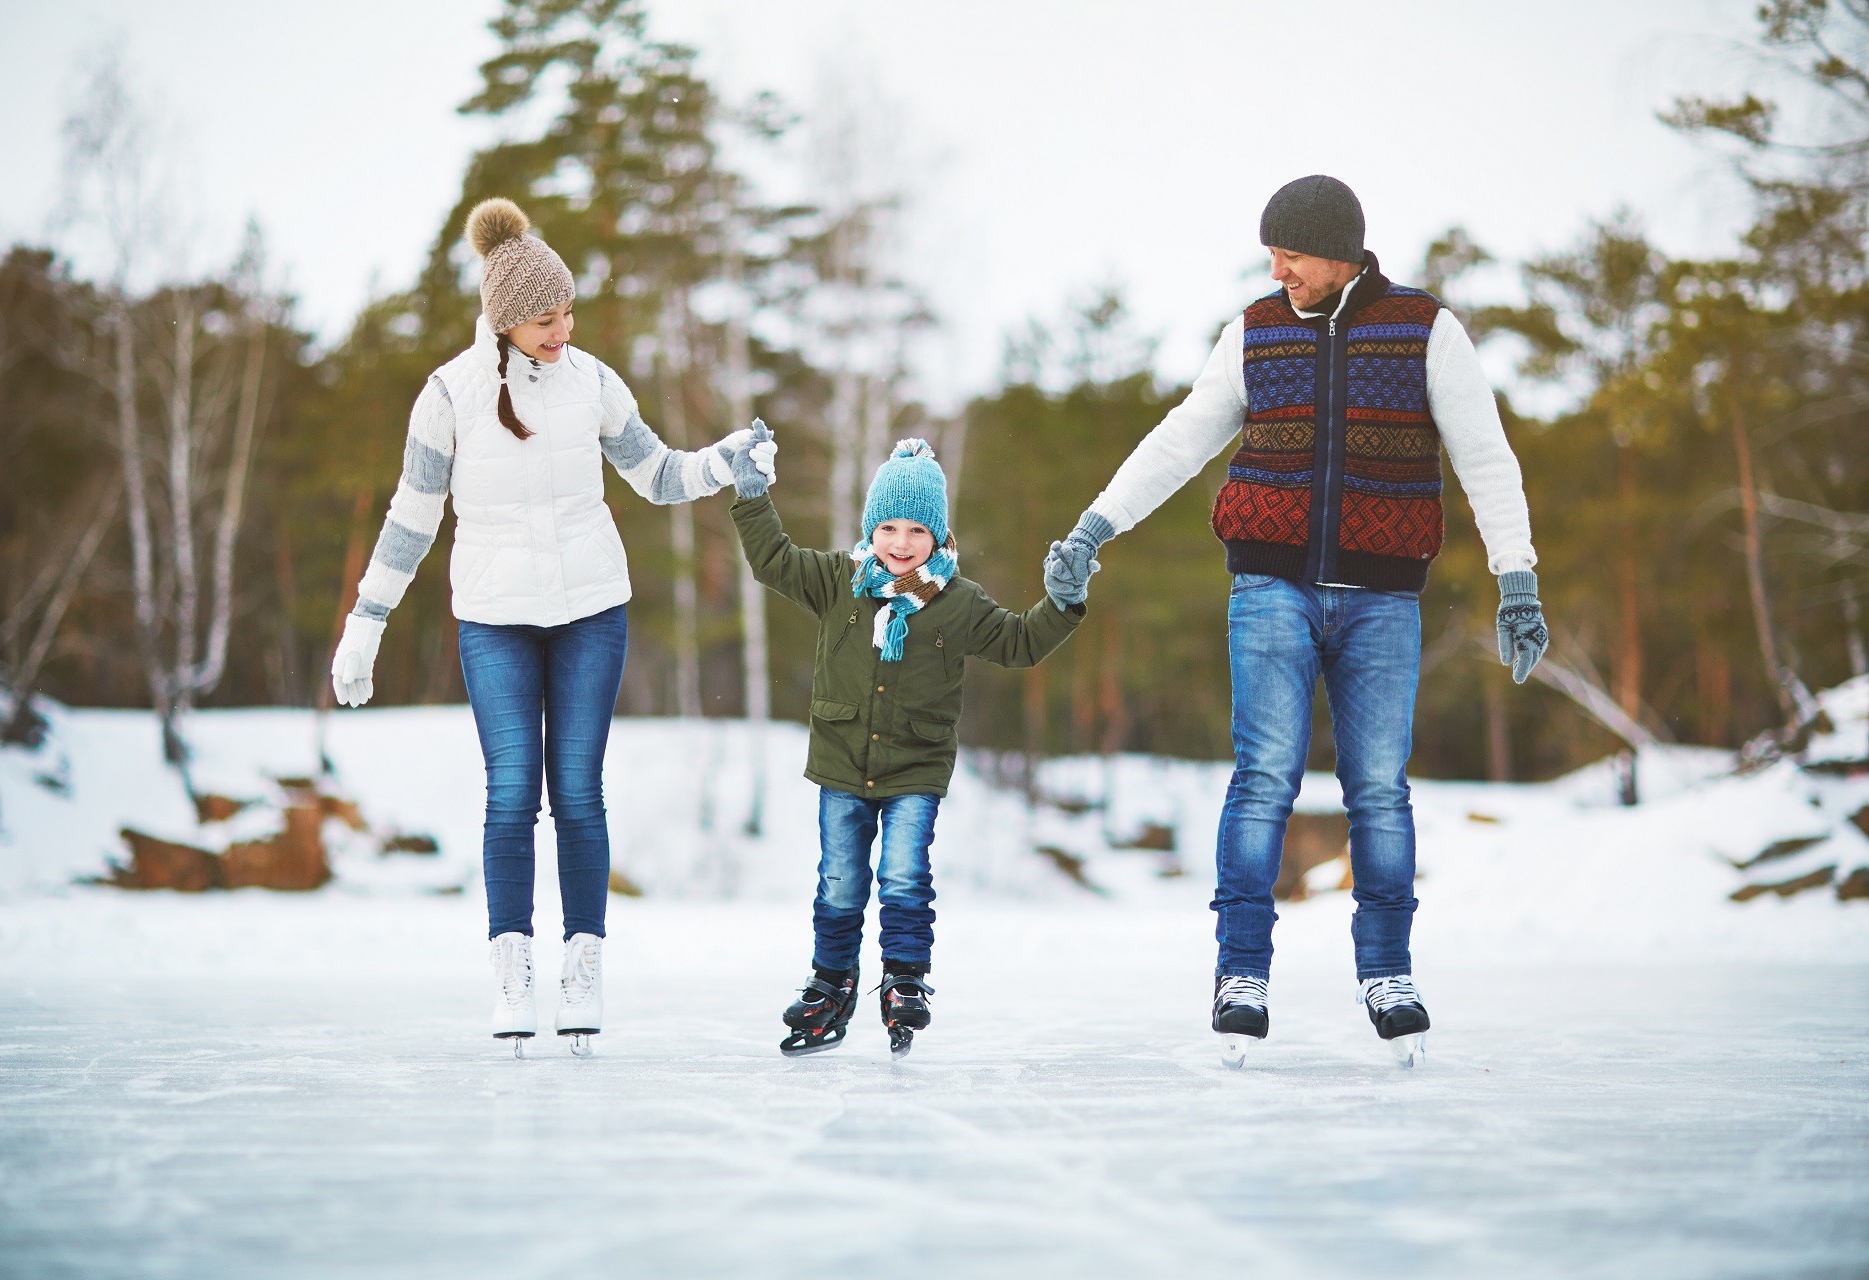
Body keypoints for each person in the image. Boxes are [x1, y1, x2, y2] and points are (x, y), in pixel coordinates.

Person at [1041, 175, 1551, 1067]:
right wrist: (1094, 527)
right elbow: (1180, 437)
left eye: (1294, 253)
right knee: (1263, 777)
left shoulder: (1426, 332)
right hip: (1269, 587)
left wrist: (1518, 580)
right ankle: (1241, 971)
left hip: (1383, 598)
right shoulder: (1255, 329)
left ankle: (1387, 969)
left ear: (1342, 250)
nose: (1279, 268)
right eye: (1271, 252)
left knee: (1379, 789)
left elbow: (1485, 455)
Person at [329, 198, 777, 1056]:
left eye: (567, 311)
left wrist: (726, 460)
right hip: (495, 621)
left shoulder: (594, 383)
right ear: (504, 318)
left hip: (589, 613)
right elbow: (411, 518)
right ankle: (511, 970)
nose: (562, 328)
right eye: (544, 317)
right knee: (509, 796)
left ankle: (582, 964)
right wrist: (366, 622)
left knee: (577, 791)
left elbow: (658, 476)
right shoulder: (448, 396)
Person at [728, 437, 1085, 1058]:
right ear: (871, 529)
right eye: (888, 526)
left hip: (916, 768)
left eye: (917, 529)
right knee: (839, 882)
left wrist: (1065, 600)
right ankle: (831, 983)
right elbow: (772, 561)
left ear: (939, 536)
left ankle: (904, 980)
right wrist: (753, 498)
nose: (900, 542)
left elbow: (1022, 643)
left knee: (902, 877)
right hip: (841, 764)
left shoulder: (959, 603)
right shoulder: (840, 582)